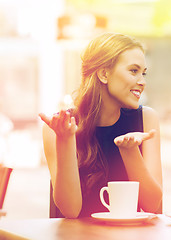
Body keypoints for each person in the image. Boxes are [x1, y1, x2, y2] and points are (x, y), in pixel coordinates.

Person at [39, 33, 162, 218]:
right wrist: (65, 140)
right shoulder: (58, 128)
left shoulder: (147, 118)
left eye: (143, 73)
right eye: (133, 71)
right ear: (104, 74)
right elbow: (70, 211)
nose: (142, 81)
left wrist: (131, 152)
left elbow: (153, 204)